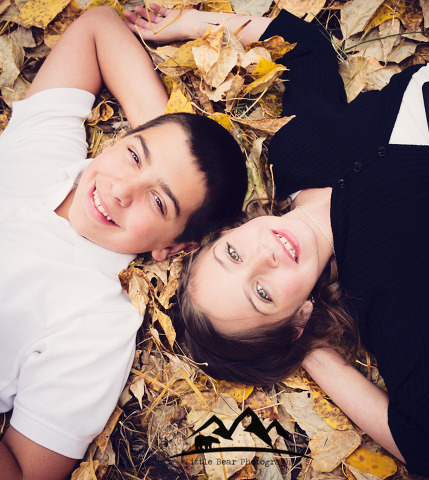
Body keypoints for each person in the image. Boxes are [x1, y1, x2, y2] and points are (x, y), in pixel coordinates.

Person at [125, 0, 429, 476]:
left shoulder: (292, 153)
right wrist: (305, 350)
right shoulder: (386, 289)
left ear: (229, 231)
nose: (265, 255)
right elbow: (422, 444)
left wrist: (189, 24)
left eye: (233, 253)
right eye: (262, 292)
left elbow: (305, 47)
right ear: (298, 318)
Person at [0, 6, 247, 480]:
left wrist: (160, 159)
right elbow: (97, 27)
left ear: (174, 248)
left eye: (158, 202)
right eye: (134, 156)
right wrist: (173, 144)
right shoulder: (48, 148)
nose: (119, 190)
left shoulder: (95, 325)